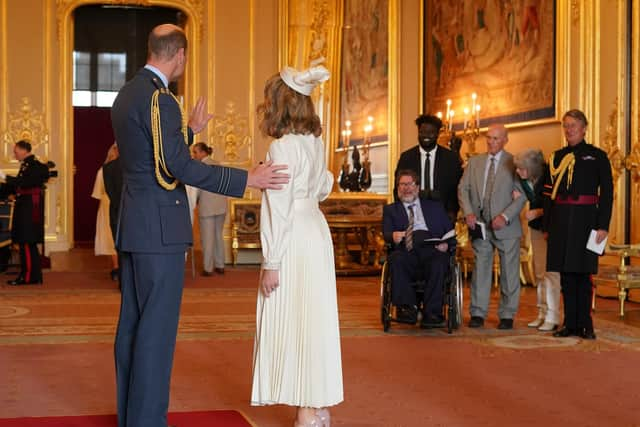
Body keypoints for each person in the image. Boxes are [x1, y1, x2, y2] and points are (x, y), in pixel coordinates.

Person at [110, 24, 289, 427]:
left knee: (133, 329)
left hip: (136, 226)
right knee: (155, 336)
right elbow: (178, 166)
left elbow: (151, 154)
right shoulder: (162, 100)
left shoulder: (127, 94)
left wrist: (190, 131)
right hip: (161, 231)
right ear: (180, 55)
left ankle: (131, 418)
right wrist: (248, 179)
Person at [251, 65, 343, 427]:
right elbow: (323, 188)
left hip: (292, 239)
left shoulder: (282, 146)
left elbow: (278, 206)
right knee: (314, 318)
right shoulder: (315, 143)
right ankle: (317, 405)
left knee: (293, 317)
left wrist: (271, 261)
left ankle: (306, 412)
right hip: (315, 231)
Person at [546, 109, 613, 340]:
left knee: (583, 276)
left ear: (584, 128)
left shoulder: (597, 156)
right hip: (562, 221)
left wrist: (603, 225)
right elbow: (548, 194)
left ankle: (586, 324)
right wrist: (548, 225)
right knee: (565, 275)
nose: (569, 129)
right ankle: (570, 324)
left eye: (574, 125)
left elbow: (607, 194)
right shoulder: (555, 157)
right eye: (566, 125)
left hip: (587, 221)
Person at [458, 124, 526, 329]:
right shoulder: (475, 162)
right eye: (488, 137)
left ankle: (507, 315)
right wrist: (468, 212)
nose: (491, 142)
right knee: (481, 269)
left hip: (506, 227)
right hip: (480, 226)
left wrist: (505, 217)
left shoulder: (514, 163)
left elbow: (522, 196)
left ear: (505, 140)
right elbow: (463, 188)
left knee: (509, 271)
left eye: (496, 138)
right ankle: (478, 313)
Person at [383, 169, 455, 328]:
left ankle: (432, 313)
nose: (406, 188)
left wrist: (446, 244)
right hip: (406, 249)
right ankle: (407, 309)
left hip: (431, 247)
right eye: (402, 184)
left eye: (410, 184)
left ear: (417, 187)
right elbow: (386, 234)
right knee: (396, 260)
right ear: (397, 188)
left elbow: (450, 232)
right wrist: (392, 236)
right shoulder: (390, 210)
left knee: (440, 261)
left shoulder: (434, 207)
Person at [513, 149, 561, 332]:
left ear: (531, 168)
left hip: (549, 229)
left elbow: (556, 203)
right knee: (540, 273)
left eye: (521, 169)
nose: (518, 172)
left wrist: (538, 211)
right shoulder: (528, 181)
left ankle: (553, 315)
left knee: (551, 273)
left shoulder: (549, 177)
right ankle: (542, 313)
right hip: (536, 229)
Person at [394, 114, 462, 220]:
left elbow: (456, 188)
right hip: (413, 215)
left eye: (431, 132)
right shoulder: (406, 157)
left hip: (442, 216)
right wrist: (402, 213)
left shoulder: (451, 158)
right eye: (422, 132)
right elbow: (398, 187)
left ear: (437, 134)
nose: (426, 135)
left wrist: (452, 212)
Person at [0, 140, 49, 285]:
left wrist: (5, 177)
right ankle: (33, 275)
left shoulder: (34, 165)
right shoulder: (27, 165)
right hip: (25, 208)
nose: (14, 154)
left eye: (16, 151)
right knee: (26, 243)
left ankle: (28, 277)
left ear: (23, 150)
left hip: (28, 210)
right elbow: (19, 186)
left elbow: (24, 183)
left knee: (26, 242)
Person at [191, 142, 228, 276]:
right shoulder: (218, 164)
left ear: (202, 153)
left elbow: (196, 189)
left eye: (195, 152)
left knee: (207, 238)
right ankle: (220, 265)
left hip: (207, 207)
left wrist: (193, 203)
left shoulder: (200, 167)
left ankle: (208, 268)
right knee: (218, 236)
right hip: (221, 205)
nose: (193, 155)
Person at [91, 144, 119, 280]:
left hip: (106, 204)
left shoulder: (103, 171)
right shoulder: (129, 170)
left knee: (109, 237)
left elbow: (97, 193)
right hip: (122, 205)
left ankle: (116, 267)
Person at [102, 143, 123, 282]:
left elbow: (111, 193)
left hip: (116, 212)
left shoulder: (108, 168)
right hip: (136, 213)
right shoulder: (139, 166)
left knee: (120, 247)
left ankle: (124, 281)